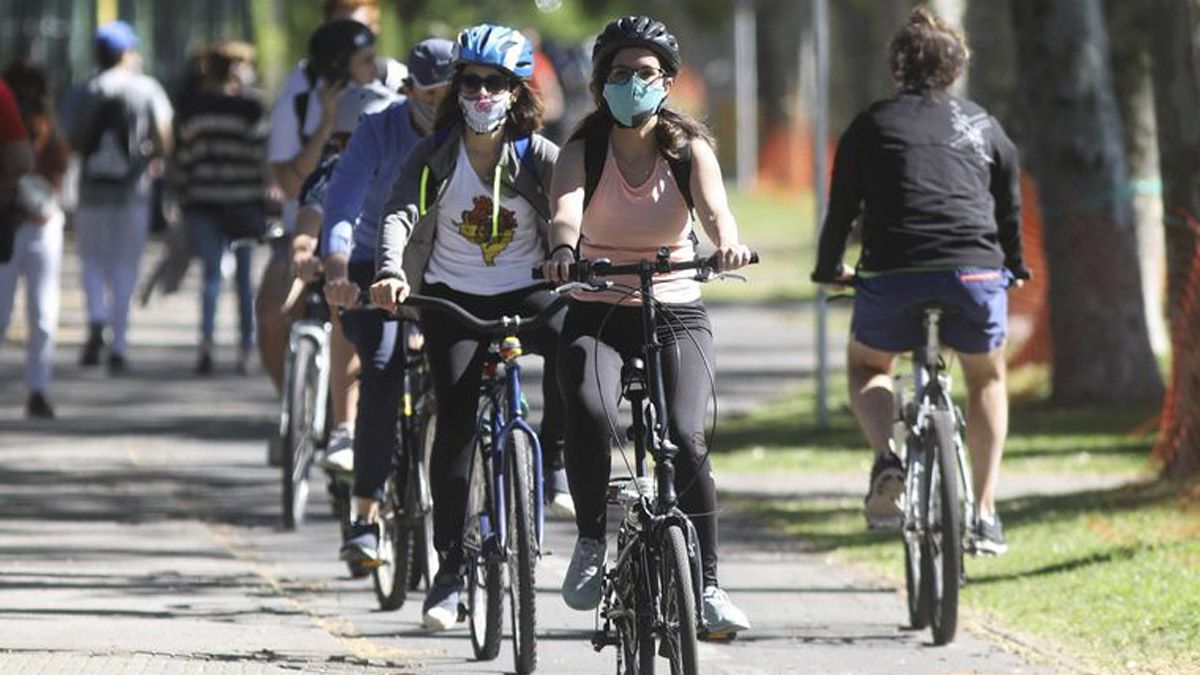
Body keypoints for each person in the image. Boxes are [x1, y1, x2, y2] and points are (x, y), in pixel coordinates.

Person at [540, 14, 753, 634]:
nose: (631, 83)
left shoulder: (688, 151)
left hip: (675, 307)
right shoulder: (584, 150)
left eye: (644, 73)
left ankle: (709, 586)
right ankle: (587, 542)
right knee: (587, 406)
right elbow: (564, 215)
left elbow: (716, 214)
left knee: (687, 438)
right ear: (601, 82)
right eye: (619, 73)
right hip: (598, 307)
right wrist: (562, 252)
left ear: (667, 82)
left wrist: (727, 245)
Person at [810, 8, 1029, 556]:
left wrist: (828, 267)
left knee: (868, 364)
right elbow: (1010, 210)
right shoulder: (984, 126)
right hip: (975, 274)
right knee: (985, 377)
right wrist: (1017, 266)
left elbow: (842, 210)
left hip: (892, 273)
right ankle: (983, 512)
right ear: (955, 71)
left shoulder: (870, 125)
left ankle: (887, 458)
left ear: (897, 71)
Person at [369, 23, 565, 631]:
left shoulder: (538, 155)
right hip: (452, 300)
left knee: (574, 345)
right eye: (472, 83)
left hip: (529, 289)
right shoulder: (433, 156)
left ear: (516, 91)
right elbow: (400, 213)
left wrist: (571, 254)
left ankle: (553, 455)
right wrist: (390, 272)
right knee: (453, 426)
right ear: (456, 90)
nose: (482, 95)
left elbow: (570, 213)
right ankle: (449, 573)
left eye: (496, 84)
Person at [314, 41, 453, 565]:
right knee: (380, 366)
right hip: (373, 261)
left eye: (449, 92)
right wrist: (336, 269)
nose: (440, 104)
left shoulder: (470, 132)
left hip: (446, 265)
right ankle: (365, 514)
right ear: (408, 90)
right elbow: (343, 201)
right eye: (429, 93)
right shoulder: (378, 128)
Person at [263, 17, 381, 466]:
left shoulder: (391, 89)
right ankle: (292, 411)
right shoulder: (298, 98)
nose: (375, 68)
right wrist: (331, 122)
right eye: (364, 61)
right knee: (274, 312)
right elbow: (292, 184)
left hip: (369, 236)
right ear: (339, 68)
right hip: (306, 227)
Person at [290, 79, 400, 488]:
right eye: (344, 140)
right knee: (344, 315)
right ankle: (344, 425)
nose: (353, 149)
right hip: (349, 273)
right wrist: (303, 252)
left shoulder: (412, 162)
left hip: (403, 272)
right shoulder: (332, 171)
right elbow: (310, 217)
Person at [62, 20, 173, 374]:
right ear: (125, 52)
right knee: (126, 267)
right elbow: (165, 136)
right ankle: (119, 344)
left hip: (91, 190)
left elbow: (69, 140)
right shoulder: (146, 88)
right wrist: (153, 158)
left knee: (92, 262)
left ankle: (96, 318)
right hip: (132, 191)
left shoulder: (83, 90)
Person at [173, 41, 267, 375]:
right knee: (244, 281)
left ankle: (207, 344)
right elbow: (261, 157)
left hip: (202, 200)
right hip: (243, 201)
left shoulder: (193, 108)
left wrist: (181, 194)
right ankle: (246, 349)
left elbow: (184, 157)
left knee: (211, 276)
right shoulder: (249, 108)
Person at [0, 62, 67, 418]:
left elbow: (58, 163)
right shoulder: (6, 107)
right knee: (4, 313)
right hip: (9, 221)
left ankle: (38, 389)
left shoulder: (49, 122)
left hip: (43, 223)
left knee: (43, 312)